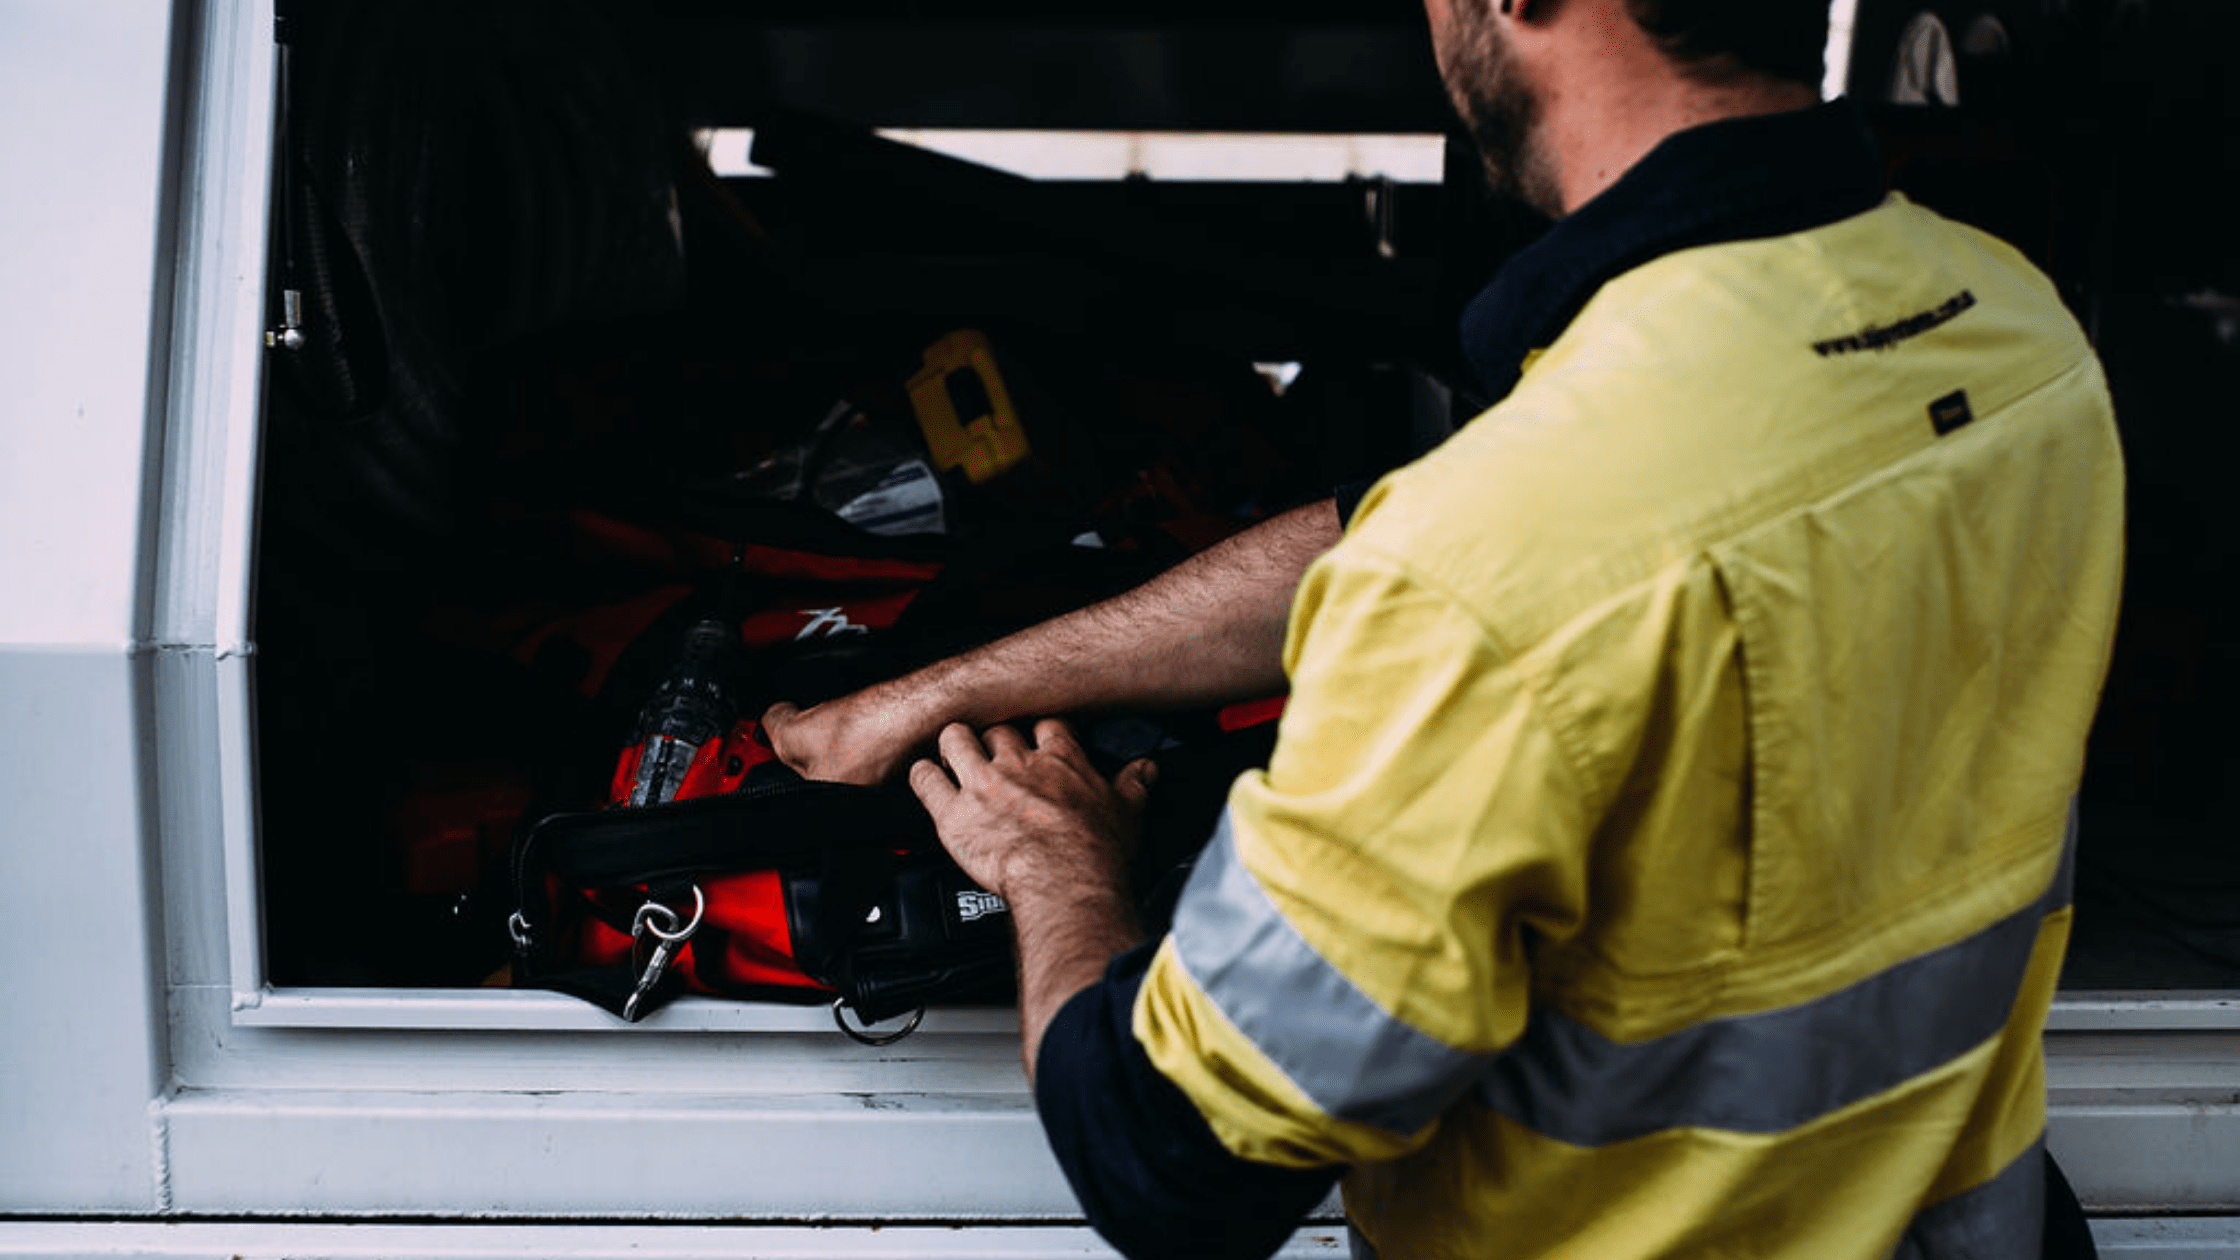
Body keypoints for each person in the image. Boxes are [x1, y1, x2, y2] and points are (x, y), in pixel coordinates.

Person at [764, 0, 2126, 1254]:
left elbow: (1172, 1160)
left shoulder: (1506, 555)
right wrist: (943, 687)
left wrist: (1057, 862)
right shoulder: (2012, 333)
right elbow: (1429, 521)